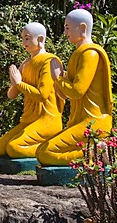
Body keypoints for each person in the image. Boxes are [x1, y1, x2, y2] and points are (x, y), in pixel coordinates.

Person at [36, 9, 113, 166]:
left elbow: (77, 92)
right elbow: (66, 95)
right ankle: (93, 151)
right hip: (79, 122)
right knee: (40, 150)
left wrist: (58, 78)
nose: (65, 32)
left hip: (93, 123)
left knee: (45, 153)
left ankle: (97, 152)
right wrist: (58, 80)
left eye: (68, 27)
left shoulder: (90, 54)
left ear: (83, 28)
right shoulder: (78, 53)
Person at [0, 22, 64, 158]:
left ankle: (49, 148)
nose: (23, 42)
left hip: (47, 120)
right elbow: (11, 95)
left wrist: (19, 84)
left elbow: (42, 95)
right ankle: (45, 146)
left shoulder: (49, 61)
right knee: (1, 147)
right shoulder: (26, 63)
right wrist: (14, 83)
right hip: (29, 119)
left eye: (27, 38)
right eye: (22, 38)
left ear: (40, 39)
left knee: (14, 148)